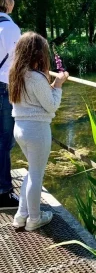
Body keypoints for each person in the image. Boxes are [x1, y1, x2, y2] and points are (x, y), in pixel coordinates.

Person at [8, 32, 69, 231]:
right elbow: (50, 106)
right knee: (36, 174)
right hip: (36, 130)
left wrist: (50, 85)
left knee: (32, 172)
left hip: (21, 128)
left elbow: (35, 98)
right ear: (37, 54)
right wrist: (58, 85)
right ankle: (34, 219)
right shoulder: (35, 77)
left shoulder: (17, 74)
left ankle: (21, 215)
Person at [0, 0, 21, 210]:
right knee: (5, 141)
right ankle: (4, 193)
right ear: (6, 2)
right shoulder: (10, 28)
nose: (14, 3)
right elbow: (18, 63)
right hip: (3, 88)